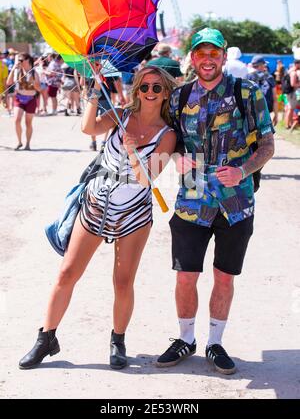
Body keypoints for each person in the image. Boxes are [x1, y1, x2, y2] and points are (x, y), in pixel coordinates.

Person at [18, 66, 176, 370]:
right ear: (137, 89)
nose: (150, 92)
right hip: (96, 203)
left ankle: (118, 340)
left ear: (166, 92)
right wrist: (93, 90)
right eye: (144, 86)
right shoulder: (119, 114)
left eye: (157, 87)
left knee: (122, 281)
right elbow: (88, 129)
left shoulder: (168, 135)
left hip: (134, 211)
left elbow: (147, 179)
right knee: (67, 272)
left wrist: (131, 149)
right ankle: (46, 338)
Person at [156, 28, 275, 375]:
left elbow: (267, 145)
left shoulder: (247, 92)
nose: (207, 59)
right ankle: (186, 338)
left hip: (235, 201)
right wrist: (176, 158)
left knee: (224, 277)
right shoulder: (178, 98)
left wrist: (243, 170)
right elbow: (170, 142)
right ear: (193, 58)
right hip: (192, 197)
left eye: (214, 53)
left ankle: (215, 343)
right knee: (185, 276)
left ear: (223, 56)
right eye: (201, 53)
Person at [6, 53, 41, 151]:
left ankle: (28, 144)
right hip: (19, 98)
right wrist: (13, 68)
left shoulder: (34, 72)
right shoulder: (17, 71)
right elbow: (8, 83)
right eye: (19, 60)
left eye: (21, 60)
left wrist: (33, 83)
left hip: (31, 99)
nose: (20, 62)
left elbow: (39, 89)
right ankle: (19, 142)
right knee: (16, 120)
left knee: (28, 123)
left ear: (28, 60)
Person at [247, 55, 278, 126]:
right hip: (266, 111)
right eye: (264, 64)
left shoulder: (248, 76)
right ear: (260, 65)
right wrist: (276, 115)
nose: (264, 66)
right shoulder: (269, 77)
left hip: (252, 111)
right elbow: (275, 99)